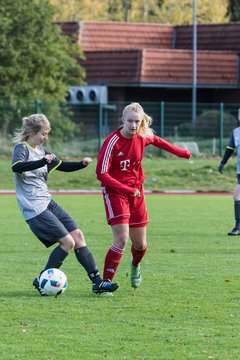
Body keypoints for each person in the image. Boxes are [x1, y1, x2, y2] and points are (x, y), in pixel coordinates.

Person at [11, 114, 118, 296]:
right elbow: (17, 166)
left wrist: (81, 164)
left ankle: (97, 283)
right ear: (32, 132)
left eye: (46, 134)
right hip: (33, 207)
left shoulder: (43, 151)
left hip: (47, 202)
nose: (45, 137)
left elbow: (62, 165)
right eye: (43, 134)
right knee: (67, 242)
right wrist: (42, 162)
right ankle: (42, 279)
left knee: (77, 236)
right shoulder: (22, 148)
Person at [96, 102, 191, 288]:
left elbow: (157, 140)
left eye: (137, 122)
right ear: (122, 120)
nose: (133, 125)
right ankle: (105, 283)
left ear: (141, 122)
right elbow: (101, 174)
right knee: (122, 239)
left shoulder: (142, 136)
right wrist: (127, 189)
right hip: (116, 193)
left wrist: (181, 153)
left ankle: (135, 265)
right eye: (130, 121)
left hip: (136, 194)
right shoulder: (112, 142)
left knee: (140, 244)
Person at [218, 108, 240, 236]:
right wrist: (223, 163)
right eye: (239, 113)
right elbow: (229, 149)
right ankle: (238, 226)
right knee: (237, 195)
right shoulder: (236, 132)